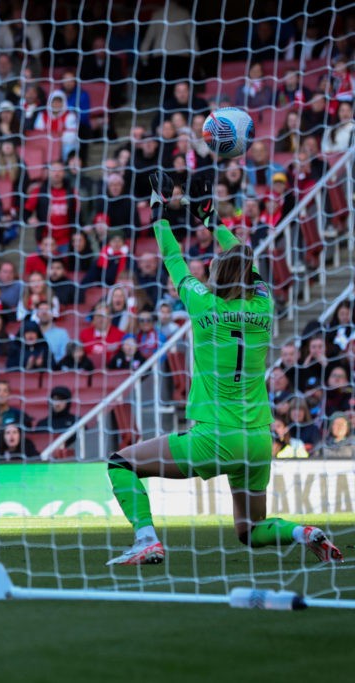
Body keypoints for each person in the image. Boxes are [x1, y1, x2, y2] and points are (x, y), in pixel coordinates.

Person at [104, 171, 342, 566]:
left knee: (121, 462)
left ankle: (147, 539)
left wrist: (160, 214)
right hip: (257, 440)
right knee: (250, 530)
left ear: (216, 274)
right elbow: (244, 259)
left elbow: (174, 260)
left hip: (213, 437)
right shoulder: (264, 305)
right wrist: (210, 218)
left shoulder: (205, 305)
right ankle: (304, 532)